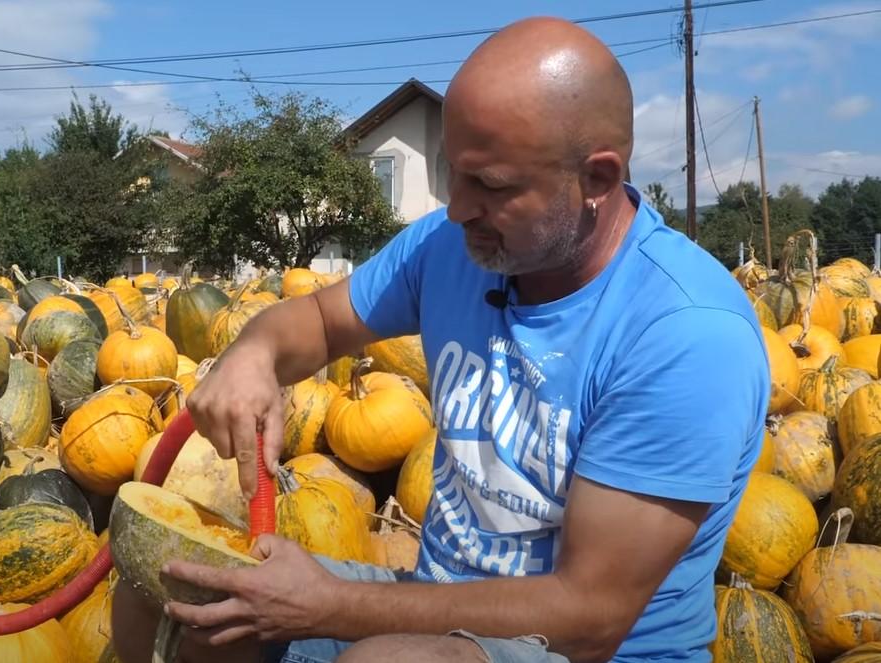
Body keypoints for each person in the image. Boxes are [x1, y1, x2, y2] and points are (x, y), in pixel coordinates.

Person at [111, 15, 769, 663]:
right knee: (167, 588)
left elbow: (589, 614)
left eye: (491, 185)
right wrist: (252, 355)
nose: (456, 207)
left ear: (597, 178)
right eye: (453, 171)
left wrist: (327, 603)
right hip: (435, 600)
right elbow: (313, 321)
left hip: (583, 649)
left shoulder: (686, 333)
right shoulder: (450, 248)